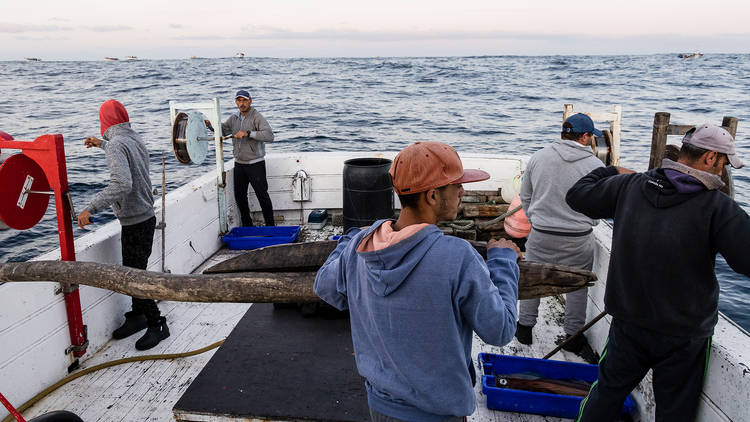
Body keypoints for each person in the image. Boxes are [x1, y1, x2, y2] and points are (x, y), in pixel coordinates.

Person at [314, 141, 521, 422]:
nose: (463, 191)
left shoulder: (360, 246)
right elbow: (501, 330)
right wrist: (503, 262)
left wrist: (350, 238)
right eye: (456, 186)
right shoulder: (458, 256)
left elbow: (324, 286)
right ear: (433, 196)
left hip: (380, 406)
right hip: (437, 413)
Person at [566, 124, 750, 421]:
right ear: (711, 158)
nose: (724, 172)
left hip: (629, 323)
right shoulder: (718, 207)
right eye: (725, 163)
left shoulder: (631, 186)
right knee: (675, 412)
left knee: (607, 393)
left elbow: (577, 196)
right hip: (684, 336)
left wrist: (611, 171)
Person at [77, 99, 169, 351]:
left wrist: (90, 208)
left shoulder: (116, 145)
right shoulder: (132, 138)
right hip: (144, 216)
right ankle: (138, 314)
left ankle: (157, 322)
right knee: (134, 269)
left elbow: (121, 184)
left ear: (104, 121)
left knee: (134, 276)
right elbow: (120, 149)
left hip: (136, 221)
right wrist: (101, 144)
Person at [516, 113, 606, 355]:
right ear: (585, 136)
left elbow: (525, 196)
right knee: (577, 284)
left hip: (541, 233)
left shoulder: (538, 157)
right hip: (577, 238)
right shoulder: (596, 166)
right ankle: (573, 335)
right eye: (591, 136)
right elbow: (599, 206)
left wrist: (536, 219)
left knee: (532, 278)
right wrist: (590, 221)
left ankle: (524, 327)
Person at [221, 89, 275, 227]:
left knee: (262, 196)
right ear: (236, 102)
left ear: (250, 101)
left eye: (245, 100)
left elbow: (269, 136)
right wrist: (210, 125)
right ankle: (247, 225)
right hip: (239, 164)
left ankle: (271, 226)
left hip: (255, 164)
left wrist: (248, 133)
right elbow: (223, 130)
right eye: (239, 100)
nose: (242, 103)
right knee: (240, 197)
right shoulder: (233, 118)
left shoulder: (257, 117)